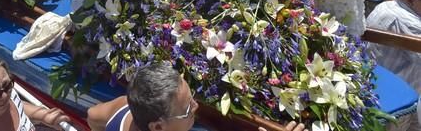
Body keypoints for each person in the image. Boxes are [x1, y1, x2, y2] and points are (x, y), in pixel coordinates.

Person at [87, 62, 306, 131]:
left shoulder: (126, 107)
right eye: (186, 109)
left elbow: (91, 115)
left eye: (191, 98)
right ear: (158, 127)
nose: (196, 107)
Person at [366, 0, 421, 93]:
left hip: (377, 75)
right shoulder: (409, 22)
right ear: (411, 0)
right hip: (397, 87)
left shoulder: (386, 5)